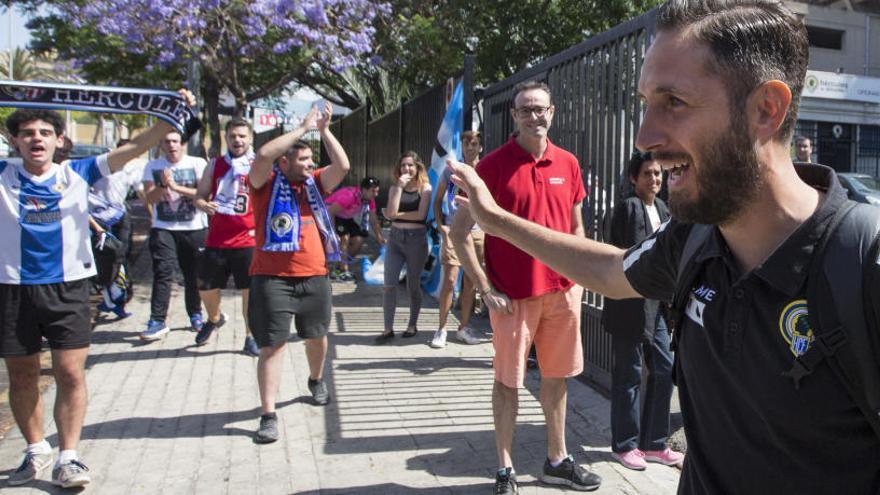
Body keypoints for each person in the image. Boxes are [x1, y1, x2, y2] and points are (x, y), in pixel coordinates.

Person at [448, 1, 880, 493]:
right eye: (646, 102)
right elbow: (611, 272)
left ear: (765, 110)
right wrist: (497, 221)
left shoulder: (862, 263)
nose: (645, 137)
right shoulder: (693, 238)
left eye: (673, 101)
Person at [0, 94, 192, 488]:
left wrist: (170, 114)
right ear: (14, 141)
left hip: (68, 287)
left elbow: (135, 147)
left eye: (45, 133)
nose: (36, 139)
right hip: (12, 287)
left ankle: (68, 457)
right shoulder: (3, 173)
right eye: (27, 134)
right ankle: (36, 450)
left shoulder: (79, 172)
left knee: (69, 372)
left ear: (59, 139)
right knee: (23, 376)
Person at [451, 81, 601, 494]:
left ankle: (557, 459)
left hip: (562, 293)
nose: (534, 116)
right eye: (525, 110)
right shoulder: (493, 167)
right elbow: (460, 233)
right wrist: (484, 288)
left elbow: (575, 228)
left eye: (541, 109)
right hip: (512, 298)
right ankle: (504, 469)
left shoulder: (568, 163)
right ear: (514, 116)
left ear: (553, 112)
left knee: (557, 378)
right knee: (508, 382)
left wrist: (580, 280)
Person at [248, 102, 349, 443]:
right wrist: (303, 127)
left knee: (316, 337)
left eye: (311, 160)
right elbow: (262, 154)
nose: (310, 165)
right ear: (285, 162)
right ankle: (268, 413)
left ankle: (316, 379)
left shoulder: (316, 183)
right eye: (303, 160)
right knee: (272, 347)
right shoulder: (264, 183)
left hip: (314, 276)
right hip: (271, 279)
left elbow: (343, 165)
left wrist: (324, 131)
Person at [602, 152, 682, 470]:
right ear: (633, 178)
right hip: (629, 306)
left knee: (664, 369)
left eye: (658, 174)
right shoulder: (627, 208)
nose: (654, 179)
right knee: (629, 375)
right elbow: (627, 255)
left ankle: (654, 444)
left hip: (657, 306)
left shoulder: (663, 209)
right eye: (647, 174)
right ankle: (624, 445)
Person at [192, 117, 260, 356]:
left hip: (247, 239)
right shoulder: (215, 165)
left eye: (242, 136)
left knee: (249, 292)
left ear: (250, 138)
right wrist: (203, 204)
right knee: (205, 287)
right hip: (217, 239)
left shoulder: (258, 165)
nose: (237, 140)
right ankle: (214, 317)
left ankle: (251, 336)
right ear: (226, 139)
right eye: (232, 136)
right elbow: (199, 195)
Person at [140, 130, 209, 340]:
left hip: (194, 227)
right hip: (164, 228)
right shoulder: (152, 166)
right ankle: (157, 320)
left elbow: (204, 194)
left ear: (183, 144)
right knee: (163, 272)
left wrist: (175, 186)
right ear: (161, 144)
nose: (171, 145)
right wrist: (162, 185)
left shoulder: (197, 163)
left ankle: (195, 314)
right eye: (167, 141)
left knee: (193, 275)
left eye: (175, 141)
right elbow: (149, 198)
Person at [429, 130, 485, 348]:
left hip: (479, 231)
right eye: (466, 143)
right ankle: (441, 328)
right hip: (454, 229)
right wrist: (440, 226)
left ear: (480, 147)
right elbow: (437, 200)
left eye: (474, 143)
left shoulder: (485, 169)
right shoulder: (452, 169)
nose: (470, 147)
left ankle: (463, 327)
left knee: (471, 282)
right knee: (450, 280)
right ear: (461, 146)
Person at [374, 151, 432, 344]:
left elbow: (421, 215)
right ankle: (387, 329)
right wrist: (399, 187)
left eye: (410, 165)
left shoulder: (425, 188)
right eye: (403, 165)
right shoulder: (394, 188)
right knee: (389, 284)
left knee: (412, 284)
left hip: (416, 240)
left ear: (417, 168)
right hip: (395, 238)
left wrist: (396, 214)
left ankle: (412, 324)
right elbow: (390, 214)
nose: (406, 169)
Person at [90, 138, 148, 320]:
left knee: (121, 257)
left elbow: (142, 194)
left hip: (120, 218)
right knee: (105, 259)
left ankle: (117, 298)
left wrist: (154, 217)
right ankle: (108, 296)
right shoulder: (100, 167)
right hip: (99, 220)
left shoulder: (131, 170)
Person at [325, 176, 385, 281]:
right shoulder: (349, 196)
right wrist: (332, 233)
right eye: (373, 191)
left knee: (359, 240)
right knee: (345, 238)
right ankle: (344, 271)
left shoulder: (369, 199)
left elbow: (373, 220)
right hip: (331, 214)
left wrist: (380, 237)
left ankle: (338, 267)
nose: (376, 194)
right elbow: (330, 211)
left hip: (345, 217)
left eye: (377, 191)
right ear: (364, 190)